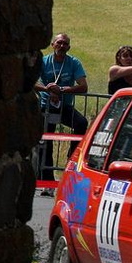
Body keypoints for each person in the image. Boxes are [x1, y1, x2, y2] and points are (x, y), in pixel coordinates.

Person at [34, 33, 89, 195]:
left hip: (64, 106)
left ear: (69, 47)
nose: (62, 46)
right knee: (46, 141)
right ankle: (48, 182)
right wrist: (47, 89)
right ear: (53, 44)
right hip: (46, 106)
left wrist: (63, 90)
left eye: (65, 44)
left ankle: (71, 163)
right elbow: (32, 81)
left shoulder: (73, 62)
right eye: (59, 43)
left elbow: (83, 86)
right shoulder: (44, 62)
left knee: (81, 123)